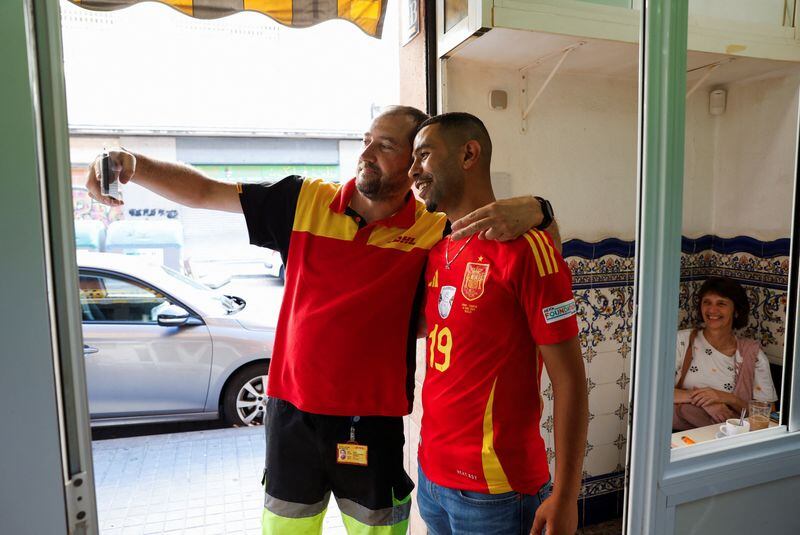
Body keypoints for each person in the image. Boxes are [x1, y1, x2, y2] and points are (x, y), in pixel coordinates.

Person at [85, 106, 553, 535]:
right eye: (366, 140)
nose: (366, 153)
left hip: (374, 422)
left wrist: (540, 208)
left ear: (415, 165)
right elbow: (206, 192)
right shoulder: (304, 199)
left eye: (386, 145)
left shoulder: (434, 228)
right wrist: (133, 163)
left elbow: (506, 242)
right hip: (293, 418)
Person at [409, 112, 588, 535]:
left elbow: (571, 381)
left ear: (469, 153)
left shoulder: (526, 248)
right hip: (431, 479)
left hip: (496, 490)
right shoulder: (437, 249)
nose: (414, 170)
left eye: (425, 155)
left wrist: (565, 495)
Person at [673, 276, 778, 431]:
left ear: (736, 311)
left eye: (721, 303)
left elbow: (768, 415)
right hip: (679, 435)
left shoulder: (752, 356)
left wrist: (726, 398)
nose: (712, 310)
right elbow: (655, 392)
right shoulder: (682, 341)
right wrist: (708, 402)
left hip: (728, 441)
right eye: (707, 302)